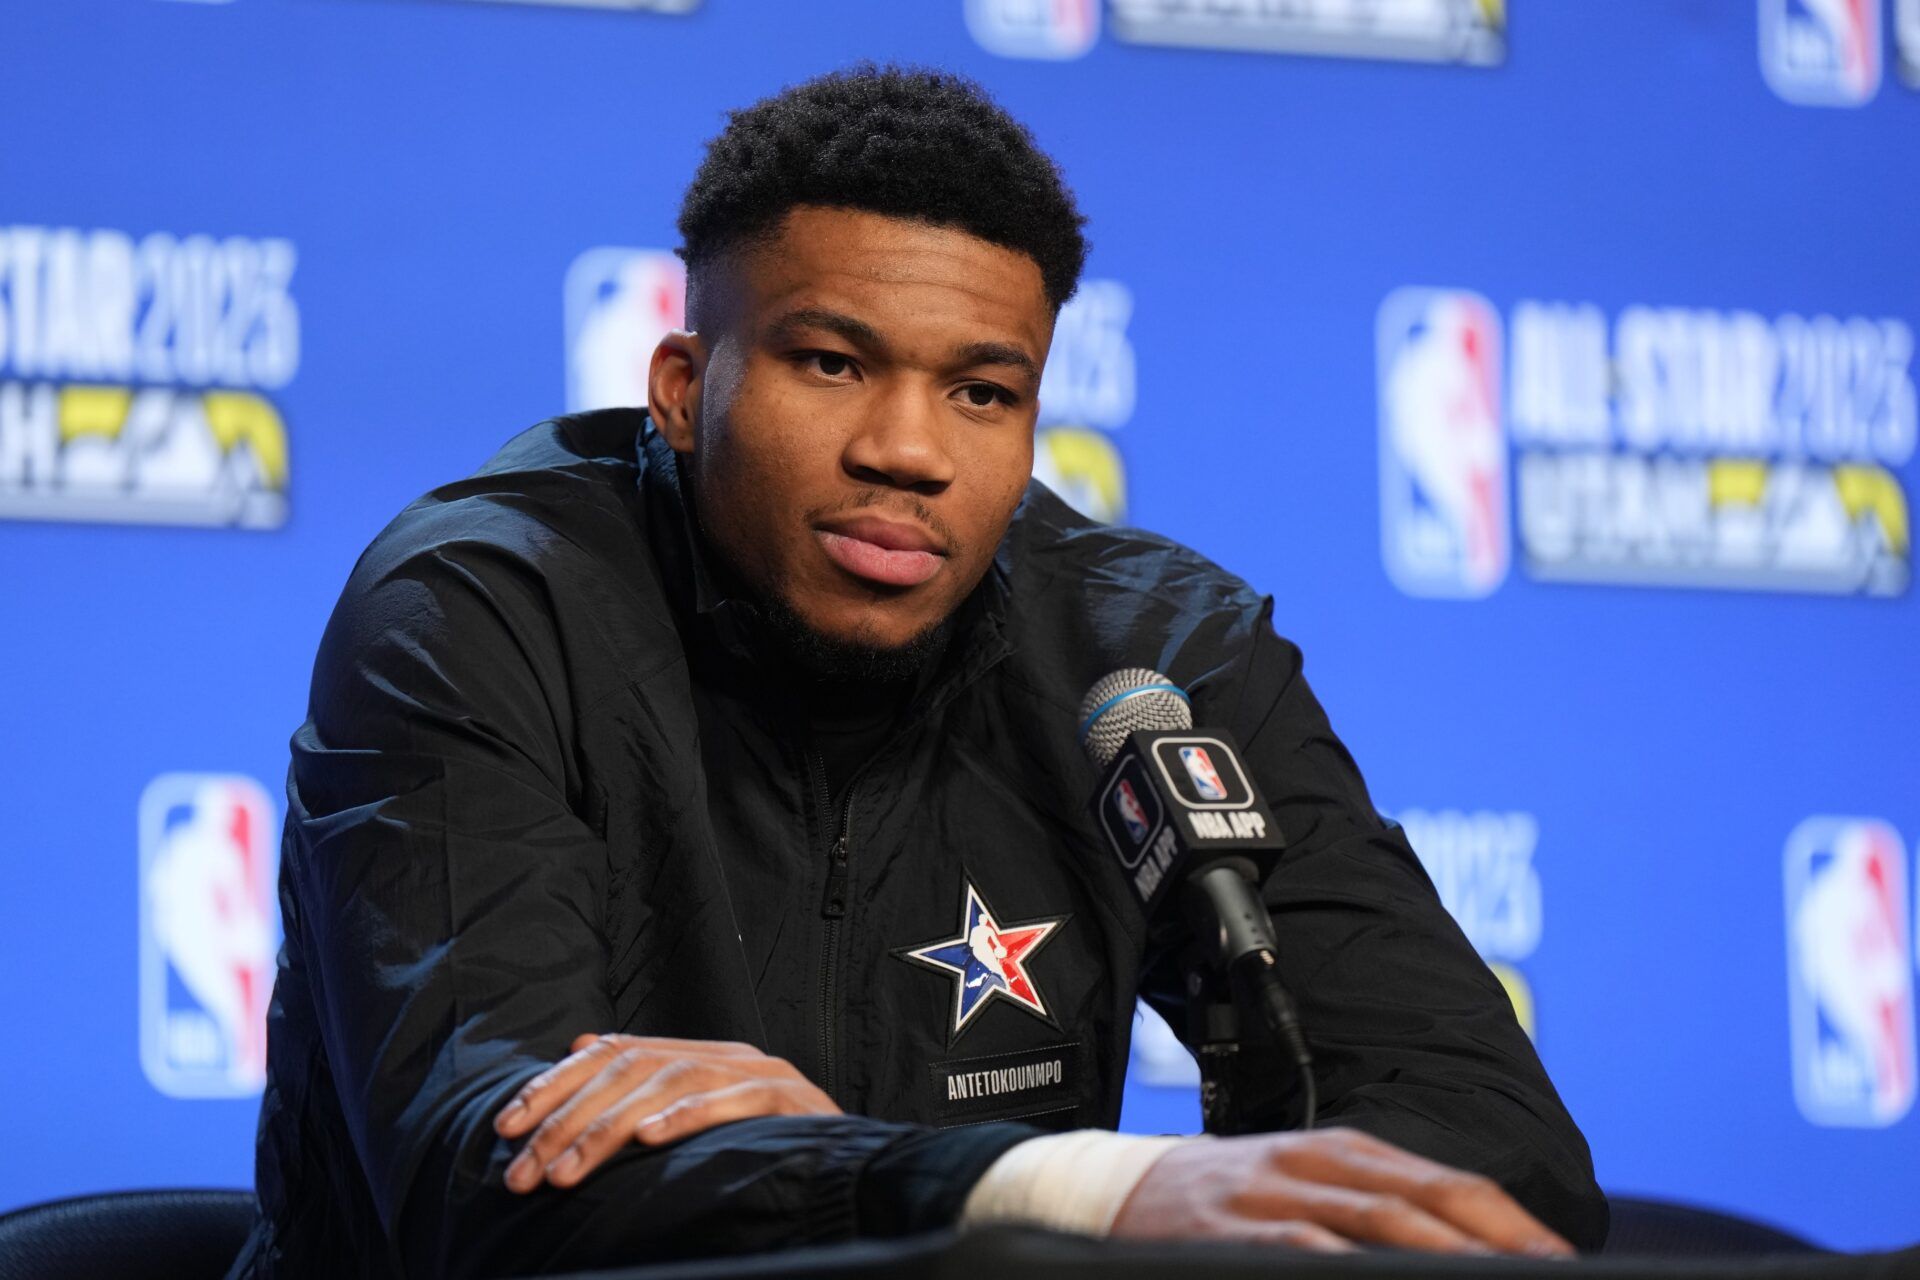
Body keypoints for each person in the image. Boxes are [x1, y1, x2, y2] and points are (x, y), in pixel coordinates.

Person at [231, 64, 1607, 1279]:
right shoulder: (485, 610)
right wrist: (1080, 1190)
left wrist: (817, 1156)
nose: (910, 449)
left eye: (983, 392)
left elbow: (1500, 1153)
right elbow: (485, 1188)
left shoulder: (1154, 657)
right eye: (832, 362)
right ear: (679, 385)